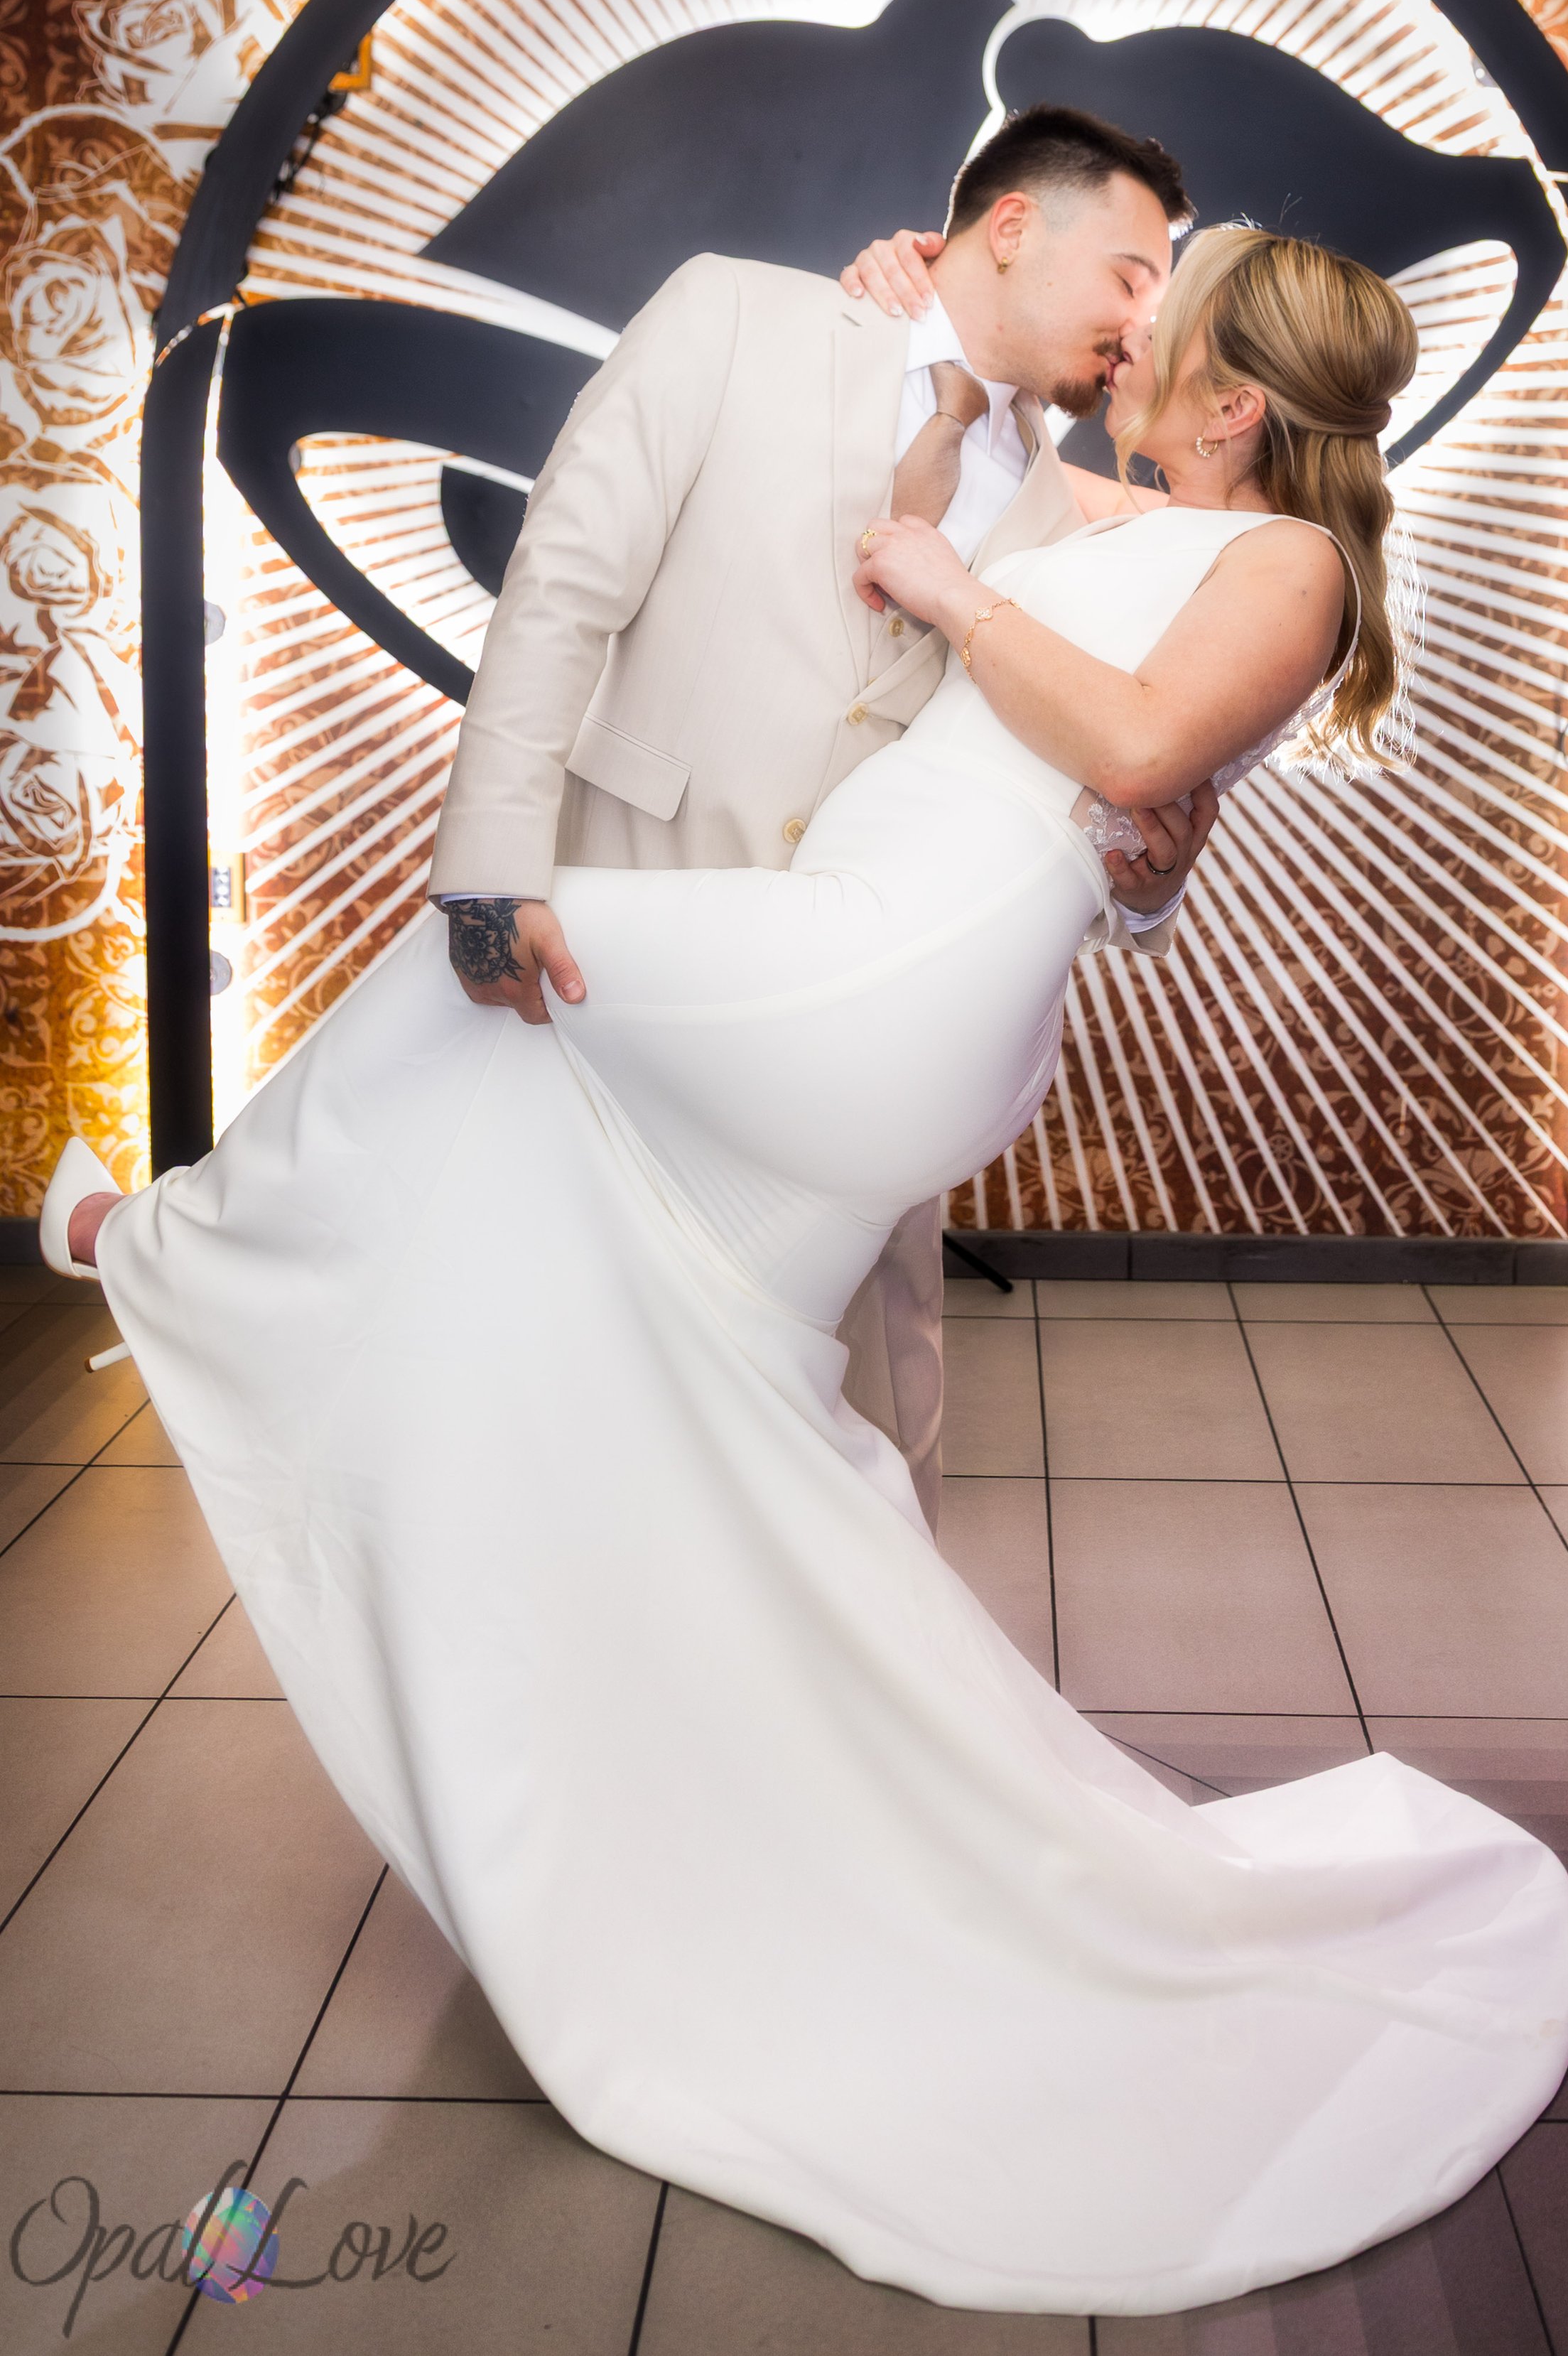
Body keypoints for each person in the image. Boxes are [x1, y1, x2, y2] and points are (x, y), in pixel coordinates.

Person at [41, 223, 1568, 2320]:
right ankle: (712, 1838)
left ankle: (174, 1248)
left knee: (486, 959)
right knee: (701, 1383)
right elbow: (936, 520)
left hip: (896, 974)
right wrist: (920, 349)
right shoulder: (1111, 500)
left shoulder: (1289, 564)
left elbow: (1133, 761)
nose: (1133, 325)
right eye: (1128, 276)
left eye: (1171, 305)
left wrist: (959, 597)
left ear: (1238, 399)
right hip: (869, 927)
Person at [428, 104, 1207, 1539]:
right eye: (1131, 270)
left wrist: (1145, 885)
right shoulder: (735, 316)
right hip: (630, 947)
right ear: (1012, 225)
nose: (1144, 314)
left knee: (863, 1422)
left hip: (865, 1028)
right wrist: (486, 868)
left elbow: (1083, 784)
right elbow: (562, 584)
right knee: (581, 1376)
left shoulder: (1078, 513)